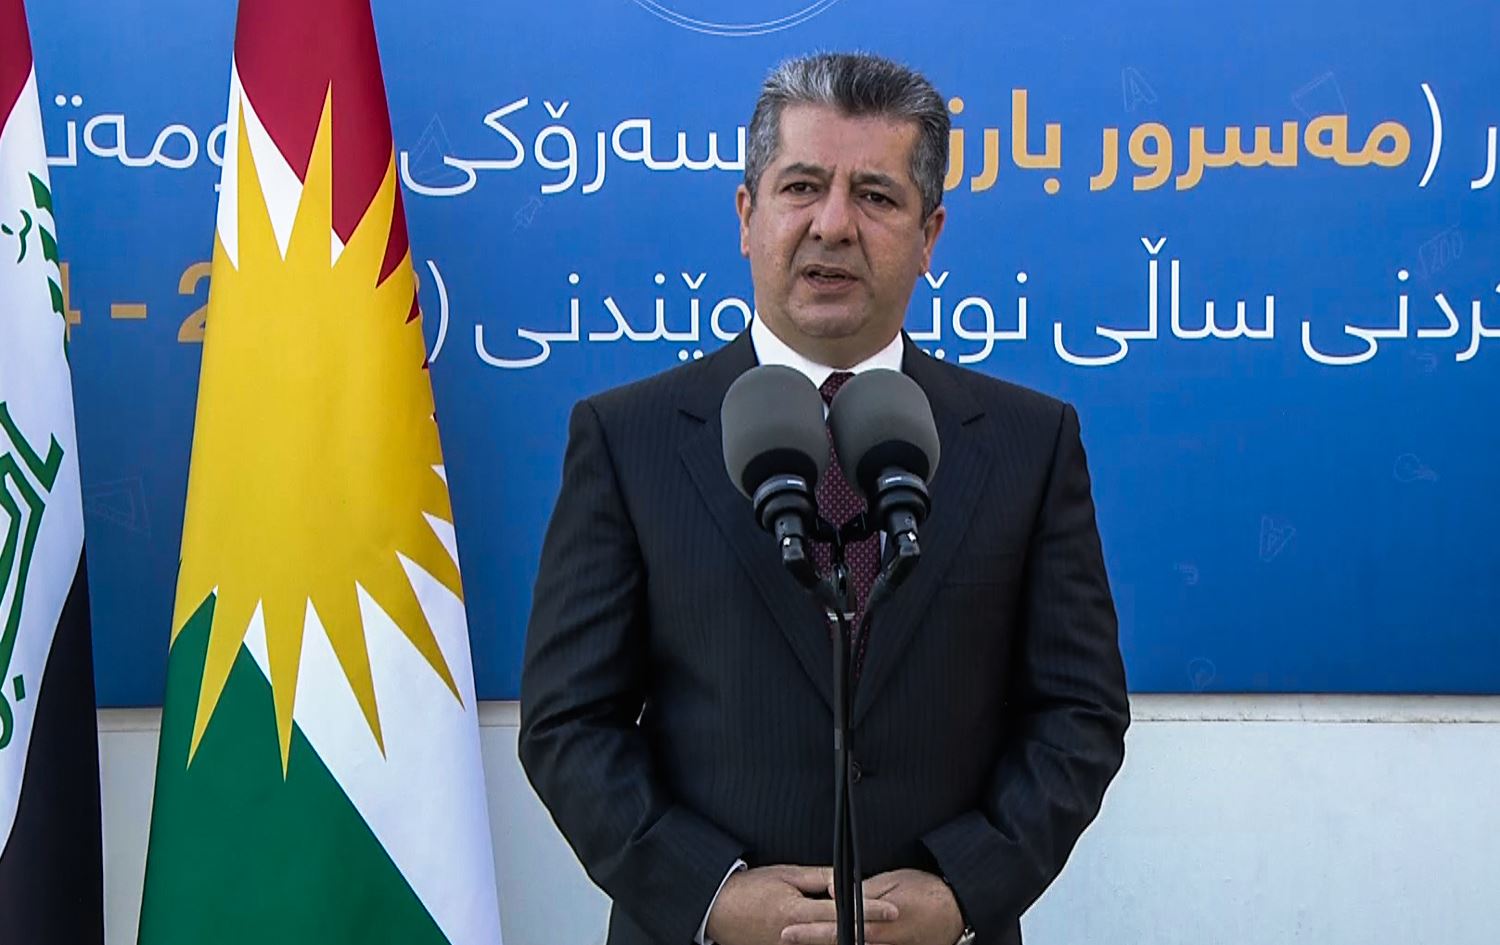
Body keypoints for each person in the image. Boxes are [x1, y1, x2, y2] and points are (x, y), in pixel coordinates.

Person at [519, 52, 1130, 945]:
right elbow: (570, 720)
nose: (833, 225)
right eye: (802, 186)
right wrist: (712, 895)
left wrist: (964, 891)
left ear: (930, 235)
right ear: (747, 214)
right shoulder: (628, 438)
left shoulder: (1028, 444)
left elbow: (1078, 712)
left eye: (876, 196)